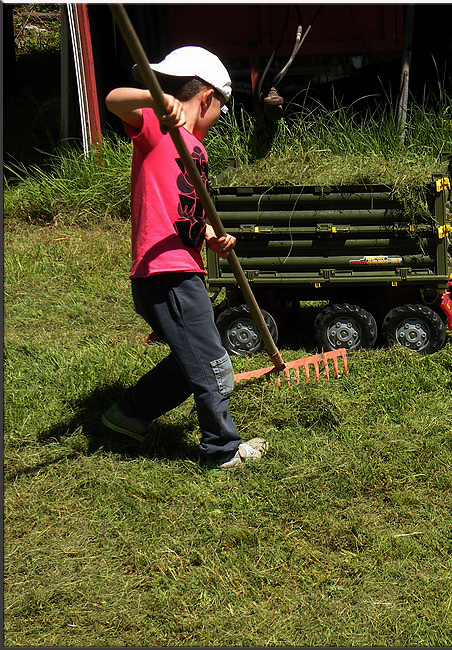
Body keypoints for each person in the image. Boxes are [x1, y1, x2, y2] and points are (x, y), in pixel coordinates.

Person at [102, 46, 267, 470]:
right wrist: (154, 100)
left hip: (180, 265)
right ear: (208, 98)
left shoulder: (196, 149)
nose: (217, 121)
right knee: (214, 363)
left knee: (188, 359)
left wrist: (209, 235)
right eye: (220, 111)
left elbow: (183, 208)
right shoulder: (159, 126)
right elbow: (112, 99)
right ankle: (221, 450)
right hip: (166, 272)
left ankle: (128, 415)